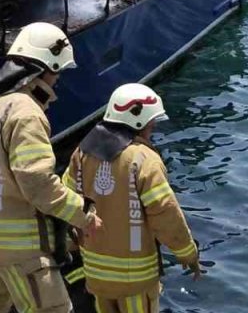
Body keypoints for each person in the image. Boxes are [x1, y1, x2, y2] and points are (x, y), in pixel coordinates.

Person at [0, 22, 102, 313]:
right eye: (58, 71)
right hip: (21, 246)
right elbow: (37, 181)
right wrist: (84, 214)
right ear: (47, 68)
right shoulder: (27, 113)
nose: (57, 79)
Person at [64, 83, 200, 313]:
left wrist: (69, 244)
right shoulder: (144, 159)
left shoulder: (82, 152)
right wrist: (187, 252)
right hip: (135, 279)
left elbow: (64, 200)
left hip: (95, 274)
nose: (153, 127)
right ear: (140, 122)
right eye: (151, 122)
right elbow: (165, 213)